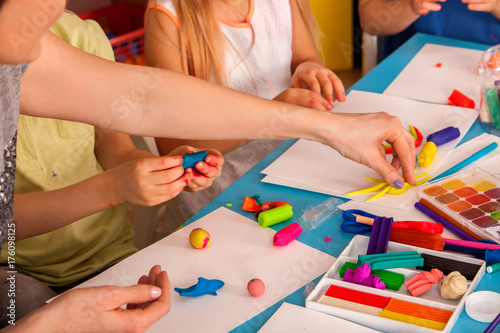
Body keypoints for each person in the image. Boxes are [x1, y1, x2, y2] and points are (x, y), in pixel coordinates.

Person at [1, 0, 416, 330]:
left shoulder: (45, 45)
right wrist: (112, 188)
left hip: (109, 254)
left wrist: (328, 126)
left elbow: (143, 101)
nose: (55, 8)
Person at [0, 11, 224, 328]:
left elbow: (117, 151)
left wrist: (162, 169)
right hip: (14, 269)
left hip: (106, 253)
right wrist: (112, 188)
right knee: (23, 302)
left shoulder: (82, 38)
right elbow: (6, 219)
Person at [146, 0, 348, 220]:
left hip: (290, 154)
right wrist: (272, 116)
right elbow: (174, 149)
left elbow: (305, 56)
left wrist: (309, 67)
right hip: (222, 182)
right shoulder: (167, 15)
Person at [359, 0, 500, 58]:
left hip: (488, 69)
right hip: (410, 65)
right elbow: (368, 21)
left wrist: (495, 5)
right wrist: (410, 7)